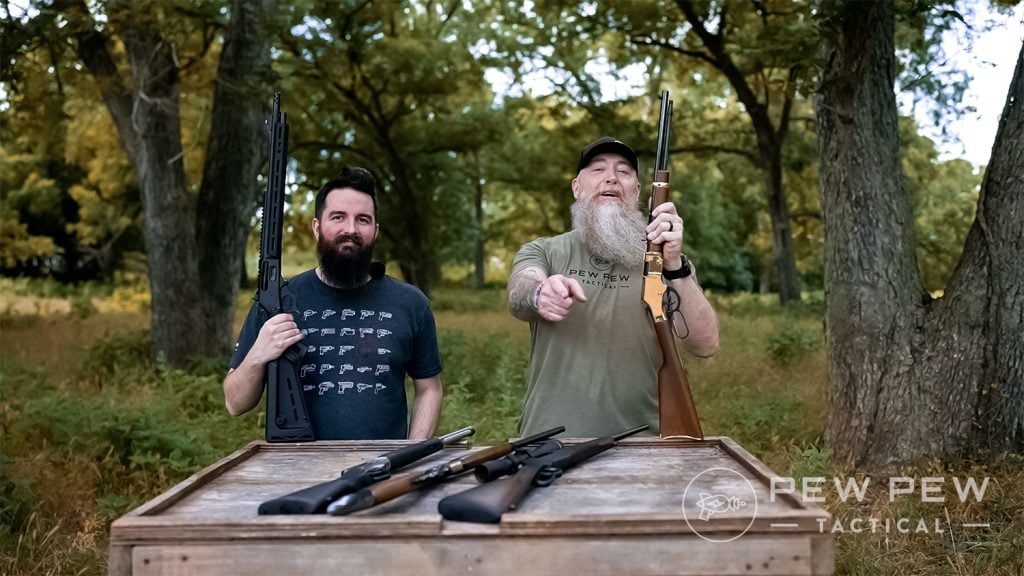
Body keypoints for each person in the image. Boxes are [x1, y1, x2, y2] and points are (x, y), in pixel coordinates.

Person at [507, 136, 719, 438]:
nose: (611, 178)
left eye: (624, 171)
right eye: (597, 169)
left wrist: (675, 266)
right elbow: (519, 292)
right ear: (576, 188)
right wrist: (539, 293)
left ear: (637, 191)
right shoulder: (545, 251)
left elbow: (705, 344)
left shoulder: (667, 262)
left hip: (643, 446)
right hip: (549, 442)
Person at [223, 165, 443, 440]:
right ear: (317, 227)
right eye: (338, 217)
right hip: (295, 472)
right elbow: (235, 403)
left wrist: (411, 453)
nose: (350, 229)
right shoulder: (277, 301)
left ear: (375, 231)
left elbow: (429, 389)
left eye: (362, 220)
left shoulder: (411, 304)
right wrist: (259, 353)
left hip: (381, 471)